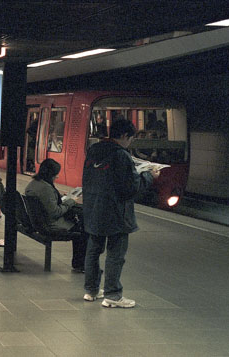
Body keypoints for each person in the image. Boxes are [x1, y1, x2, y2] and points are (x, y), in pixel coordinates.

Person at [81, 119, 157, 308]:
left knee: (93, 250)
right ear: (124, 136)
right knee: (116, 253)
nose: (130, 142)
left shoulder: (94, 150)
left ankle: (90, 290)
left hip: (93, 208)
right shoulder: (121, 155)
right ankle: (113, 295)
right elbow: (130, 188)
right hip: (116, 212)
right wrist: (148, 176)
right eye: (130, 138)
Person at [24, 158, 87, 273]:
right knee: (83, 230)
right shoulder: (46, 188)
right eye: (55, 175)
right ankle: (81, 264)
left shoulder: (33, 183)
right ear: (50, 174)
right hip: (51, 225)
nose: (56, 177)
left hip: (39, 222)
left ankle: (80, 263)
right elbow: (55, 212)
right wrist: (70, 201)